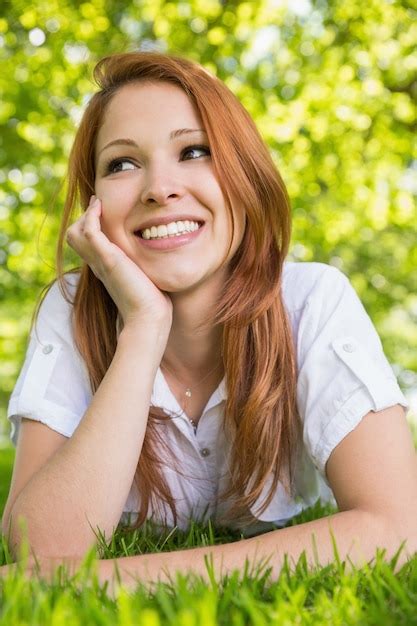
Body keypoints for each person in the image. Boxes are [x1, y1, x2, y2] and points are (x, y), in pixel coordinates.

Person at [1, 51, 416, 593]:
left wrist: (121, 580)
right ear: (95, 206)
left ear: (245, 177)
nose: (159, 188)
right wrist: (144, 327)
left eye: (194, 151)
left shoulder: (313, 300)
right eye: (122, 164)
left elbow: (397, 528)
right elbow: (39, 551)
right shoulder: (73, 306)